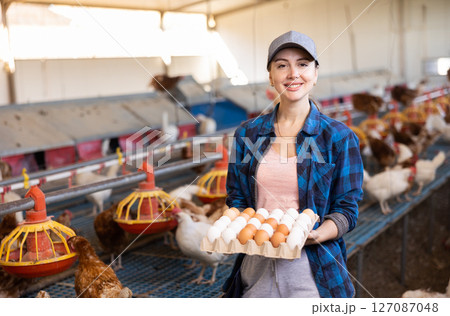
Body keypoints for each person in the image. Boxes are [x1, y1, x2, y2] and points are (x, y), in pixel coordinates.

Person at [222, 30, 364, 298]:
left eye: (302, 64)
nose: (293, 74)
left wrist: (319, 234)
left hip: (312, 272)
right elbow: (237, 196)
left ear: (315, 73)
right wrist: (231, 226)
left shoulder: (339, 137)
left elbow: (347, 208)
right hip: (257, 266)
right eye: (282, 65)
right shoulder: (247, 134)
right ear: (271, 76)